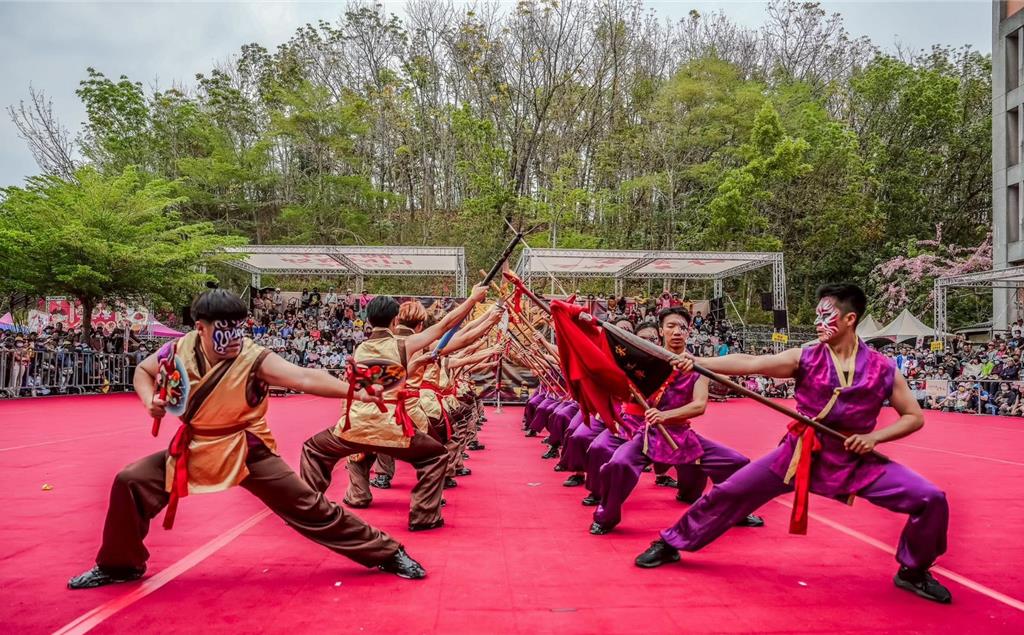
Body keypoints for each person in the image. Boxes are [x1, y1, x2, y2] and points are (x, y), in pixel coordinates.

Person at [67, 288, 426, 590]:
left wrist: (358, 393)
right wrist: (150, 401)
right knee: (130, 481)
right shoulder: (177, 350)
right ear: (200, 328)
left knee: (308, 506)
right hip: (195, 446)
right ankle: (120, 565)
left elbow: (303, 377)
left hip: (245, 447)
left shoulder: (254, 357)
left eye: (238, 329)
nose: (232, 339)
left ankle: (386, 552)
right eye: (223, 331)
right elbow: (143, 371)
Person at [635, 283, 951, 604]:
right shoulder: (805, 357)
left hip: (853, 459)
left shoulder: (883, 369)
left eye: (826, 316)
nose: (818, 323)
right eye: (817, 315)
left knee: (930, 498)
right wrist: (698, 362)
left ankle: (913, 570)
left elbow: (913, 416)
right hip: (799, 453)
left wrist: (874, 438)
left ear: (849, 319)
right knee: (730, 492)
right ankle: (671, 542)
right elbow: (751, 363)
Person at [299, 283, 489, 532]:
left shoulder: (359, 348)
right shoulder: (404, 345)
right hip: (392, 426)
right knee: (437, 456)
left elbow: (374, 384)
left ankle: (309, 509)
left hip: (353, 425)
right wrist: (473, 299)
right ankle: (424, 516)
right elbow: (444, 327)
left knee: (313, 449)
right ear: (395, 319)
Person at [588, 307, 763, 535]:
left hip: (681, 434)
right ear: (661, 330)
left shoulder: (698, 367)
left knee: (736, 462)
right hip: (648, 435)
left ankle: (736, 510)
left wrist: (666, 416)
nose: (677, 331)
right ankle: (606, 516)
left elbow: (699, 405)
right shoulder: (649, 362)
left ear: (689, 332)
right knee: (619, 464)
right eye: (671, 326)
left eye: (682, 327)